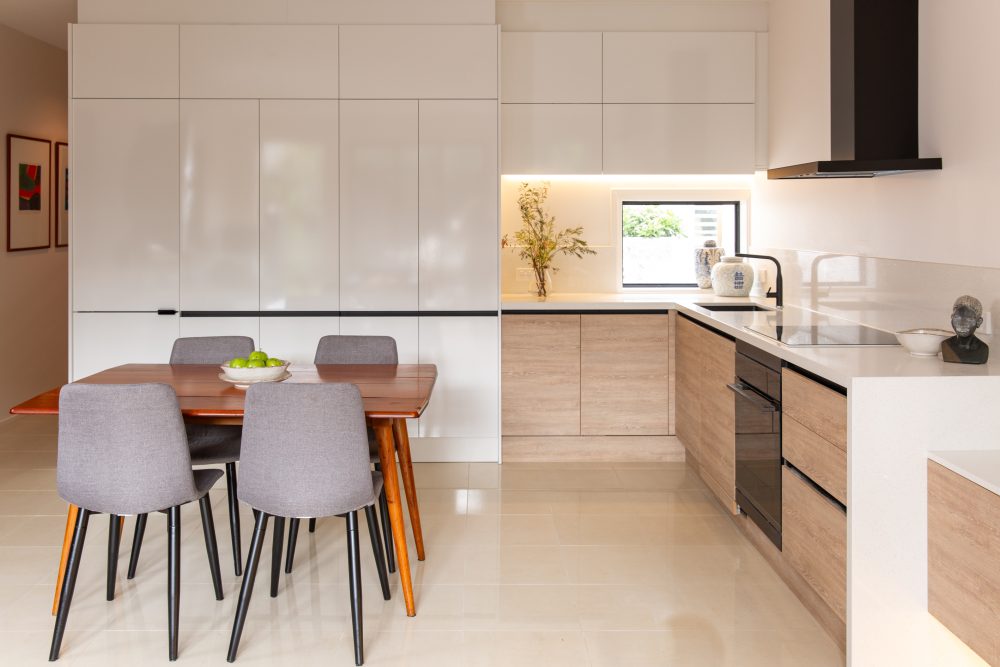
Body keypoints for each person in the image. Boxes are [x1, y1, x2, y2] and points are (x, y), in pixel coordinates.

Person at [941, 295, 989, 365]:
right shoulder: (946, 345)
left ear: (979, 322)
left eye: (969, 318)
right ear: (952, 318)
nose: (962, 323)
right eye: (957, 317)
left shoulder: (982, 349)